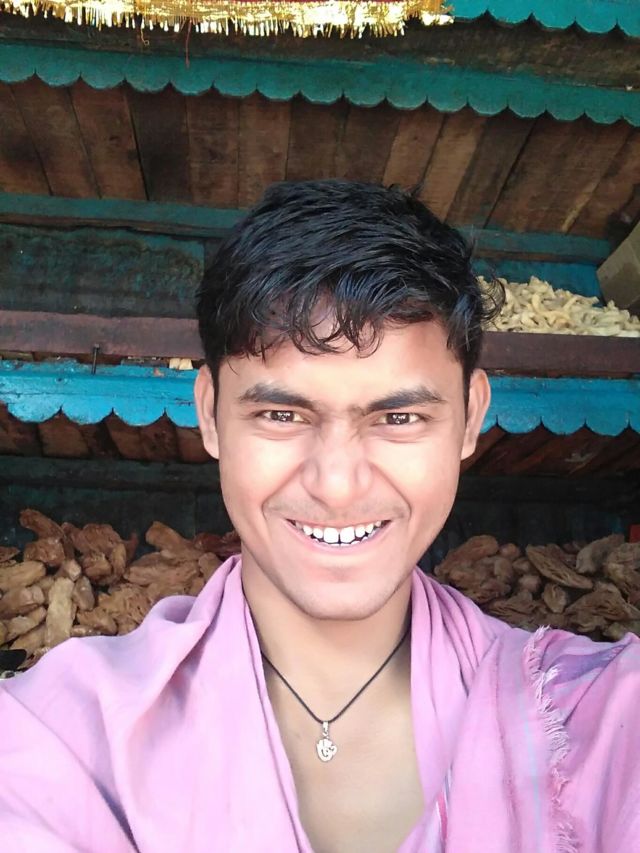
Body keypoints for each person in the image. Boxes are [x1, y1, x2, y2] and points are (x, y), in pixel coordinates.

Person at [1, 181, 639, 853]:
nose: (336, 485)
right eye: (281, 414)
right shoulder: (61, 737)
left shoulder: (601, 715)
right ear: (210, 413)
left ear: (470, 417)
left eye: (399, 417)